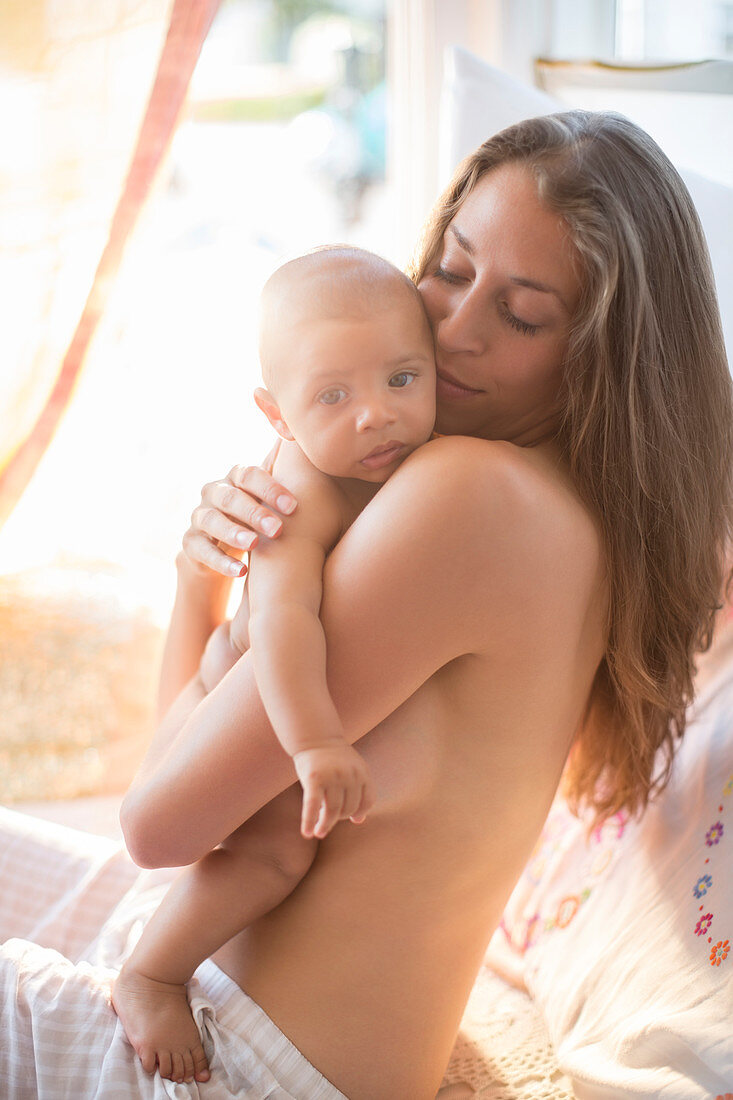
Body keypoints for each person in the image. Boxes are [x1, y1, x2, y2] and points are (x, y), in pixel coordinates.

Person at [1, 110, 731, 1100]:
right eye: (450, 266)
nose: (453, 331)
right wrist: (204, 574)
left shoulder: (470, 500)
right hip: (202, 986)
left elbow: (157, 820)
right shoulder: (567, 513)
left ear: (603, 352)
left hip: (225, 1062)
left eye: (520, 314)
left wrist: (218, 599)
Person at [111, 245, 437, 1083]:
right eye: (333, 395)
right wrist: (316, 745)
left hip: (244, 705)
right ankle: (150, 973)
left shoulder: (409, 465)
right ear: (278, 414)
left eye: (402, 379)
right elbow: (286, 623)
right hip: (221, 698)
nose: (375, 415)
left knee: (266, 857)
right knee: (269, 856)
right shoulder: (298, 493)